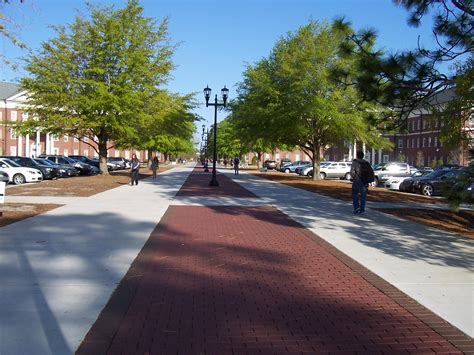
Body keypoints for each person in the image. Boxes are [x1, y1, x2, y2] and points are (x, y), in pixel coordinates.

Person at [350, 150, 370, 215]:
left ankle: (356, 208)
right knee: (363, 195)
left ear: (357, 155)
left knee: (355, 193)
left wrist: (354, 177)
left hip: (357, 180)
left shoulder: (355, 162)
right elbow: (369, 173)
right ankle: (362, 210)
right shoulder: (366, 163)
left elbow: (352, 172)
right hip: (364, 181)